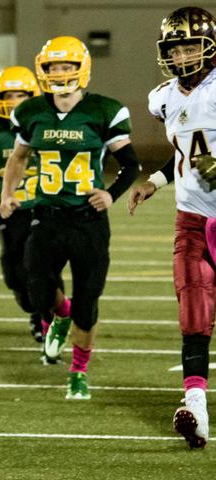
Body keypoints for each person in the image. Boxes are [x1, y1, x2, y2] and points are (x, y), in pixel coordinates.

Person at [0, 36, 140, 399]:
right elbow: (17, 158)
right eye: (53, 68)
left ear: (83, 68)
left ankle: (79, 370)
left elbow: (130, 164)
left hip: (87, 221)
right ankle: (58, 317)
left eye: (67, 67)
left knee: (88, 300)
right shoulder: (30, 112)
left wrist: (110, 193)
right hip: (46, 216)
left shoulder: (104, 110)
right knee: (37, 288)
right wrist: (7, 195)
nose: (60, 74)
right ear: (42, 70)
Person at [130, 6, 216, 449]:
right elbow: (188, 152)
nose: (182, 56)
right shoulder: (164, 96)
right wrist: (157, 180)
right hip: (191, 220)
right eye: (176, 48)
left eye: (190, 46)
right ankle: (196, 409)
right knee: (193, 314)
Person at [0, 66, 55, 343]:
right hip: (10, 211)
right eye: (8, 94)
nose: (14, 100)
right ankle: (35, 310)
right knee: (14, 275)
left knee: (43, 267)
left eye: (20, 94)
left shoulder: (47, 122)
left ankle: (50, 319)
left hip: (45, 207)